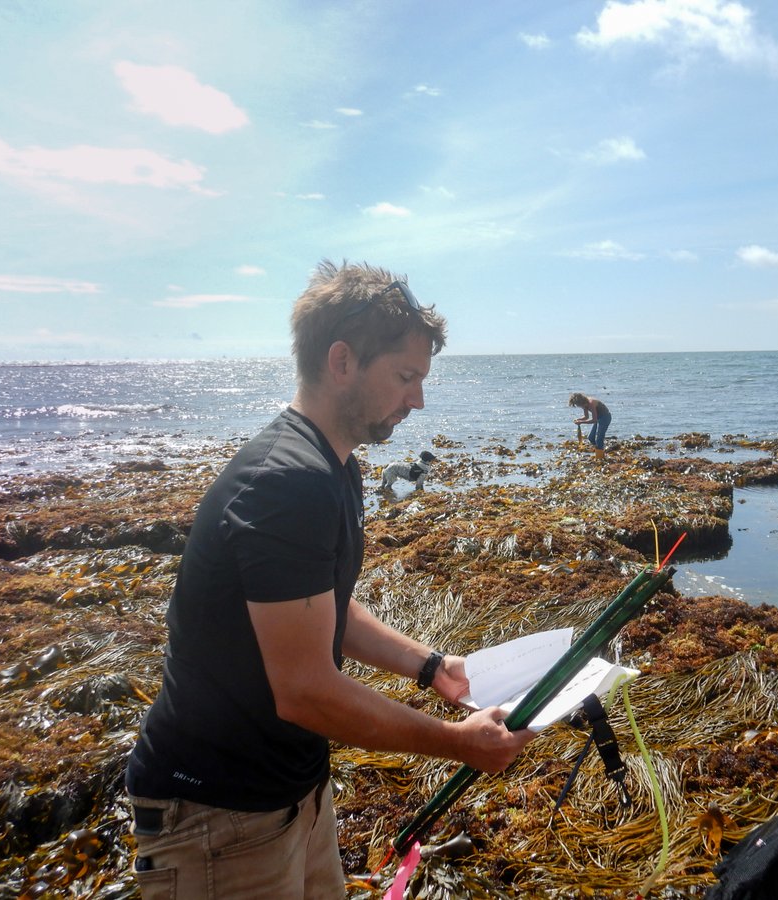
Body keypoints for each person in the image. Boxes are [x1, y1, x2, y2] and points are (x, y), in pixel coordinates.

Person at [125, 260, 535, 898]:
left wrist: (430, 665)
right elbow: (306, 691)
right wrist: (458, 744)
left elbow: (328, 610)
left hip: (297, 794)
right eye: (405, 377)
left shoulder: (333, 467)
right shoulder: (287, 482)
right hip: (219, 818)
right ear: (341, 361)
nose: (417, 400)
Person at [569, 392, 611, 459]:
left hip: (605, 417)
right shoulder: (584, 405)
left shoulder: (591, 403)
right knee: (591, 438)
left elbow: (594, 420)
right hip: (598, 418)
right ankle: (601, 451)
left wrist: (581, 422)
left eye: (578, 404)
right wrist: (578, 420)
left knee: (599, 439)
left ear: (581, 401)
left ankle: (600, 457)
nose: (579, 406)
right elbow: (586, 417)